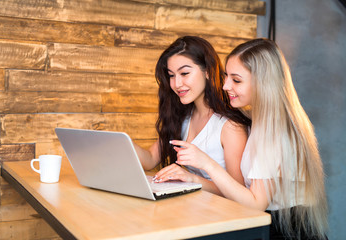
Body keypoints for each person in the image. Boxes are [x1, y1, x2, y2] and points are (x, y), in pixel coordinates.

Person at [168, 38, 328, 239]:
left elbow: (255, 204)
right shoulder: (262, 121)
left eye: (236, 80)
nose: (225, 86)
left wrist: (206, 163)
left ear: (263, 82)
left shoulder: (273, 130)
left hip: (285, 231)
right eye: (226, 77)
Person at [133, 36, 251, 196]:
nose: (177, 84)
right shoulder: (183, 116)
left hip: (223, 213)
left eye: (184, 73)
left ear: (207, 72)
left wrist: (191, 179)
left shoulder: (229, 126)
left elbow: (239, 192)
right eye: (172, 75)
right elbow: (150, 159)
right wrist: (122, 142)